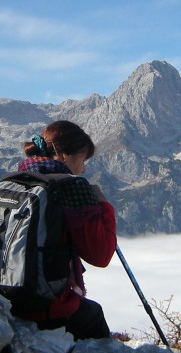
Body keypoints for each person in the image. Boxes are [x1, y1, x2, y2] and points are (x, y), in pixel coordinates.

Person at [14, 120, 117, 339]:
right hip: (46, 308)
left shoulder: (16, 181)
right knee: (92, 315)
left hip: (4, 299)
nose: (84, 168)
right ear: (64, 155)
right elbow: (101, 255)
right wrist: (104, 206)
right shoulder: (71, 188)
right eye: (82, 159)